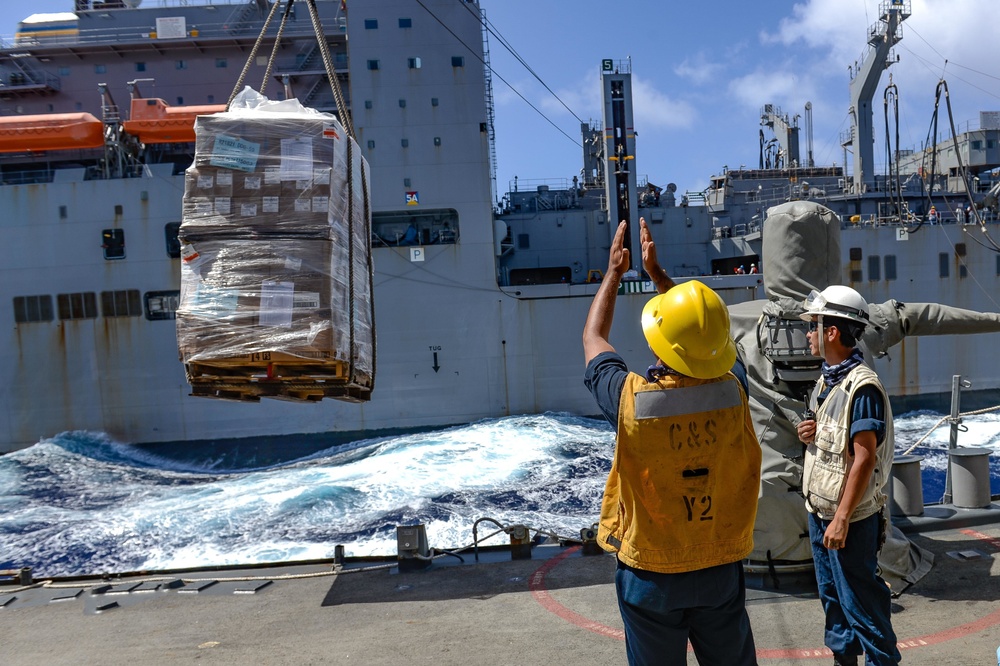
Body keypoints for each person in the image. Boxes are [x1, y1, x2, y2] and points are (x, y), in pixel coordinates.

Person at [583, 218, 761, 666]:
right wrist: (666, 281)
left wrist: (614, 272)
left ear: (661, 344)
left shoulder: (631, 401)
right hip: (719, 566)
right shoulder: (733, 391)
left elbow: (594, 339)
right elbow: (707, 339)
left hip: (651, 574)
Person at [795, 285, 900, 666]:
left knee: (863, 608)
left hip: (849, 521)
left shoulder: (862, 386)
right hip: (822, 514)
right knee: (836, 606)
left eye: (814, 326)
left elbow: (864, 458)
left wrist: (840, 520)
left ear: (832, 332)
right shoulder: (828, 380)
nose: (808, 334)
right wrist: (808, 432)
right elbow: (835, 440)